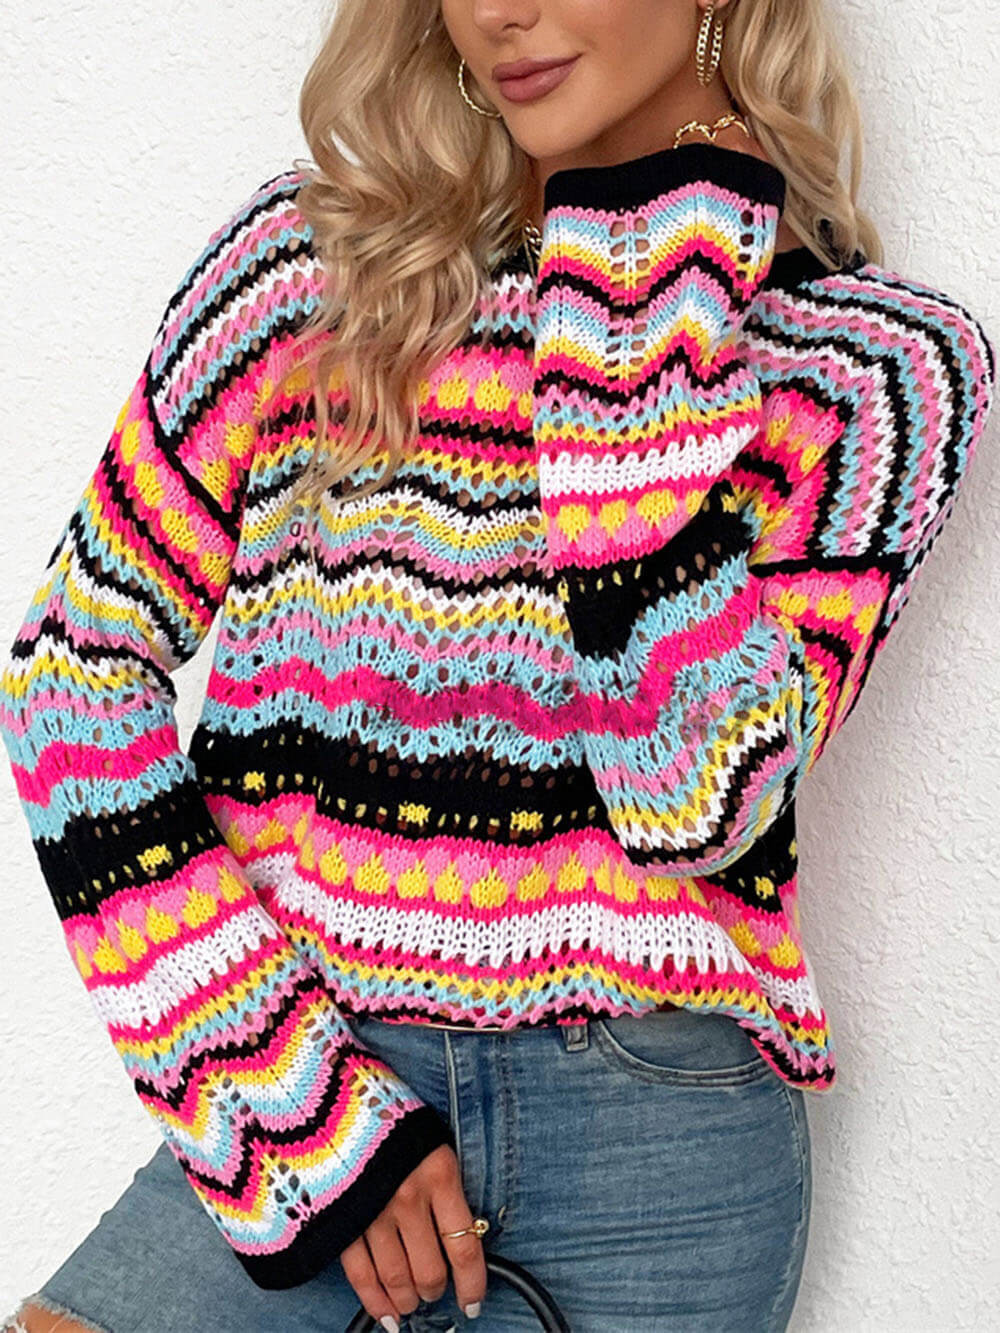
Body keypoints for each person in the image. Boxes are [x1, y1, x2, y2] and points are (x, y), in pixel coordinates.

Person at [1, 1, 994, 1330]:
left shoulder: (880, 369)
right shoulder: (308, 273)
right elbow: (69, 676)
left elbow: (697, 799)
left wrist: (637, 310)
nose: (495, 12)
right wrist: (302, 1117)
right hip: (314, 1061)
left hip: (657, 1155)